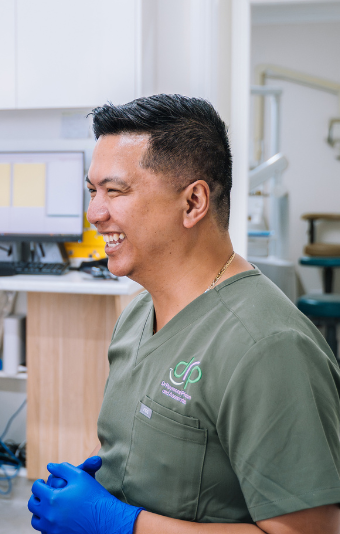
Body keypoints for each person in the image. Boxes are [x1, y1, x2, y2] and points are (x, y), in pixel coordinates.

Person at [28, 94, 340, 533]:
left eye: (115, 191)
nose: (94, 213)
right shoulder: (137, 315)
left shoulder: (267, 346)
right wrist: (107, 487)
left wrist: (122, 523)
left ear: (193, 202)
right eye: (92, 191)